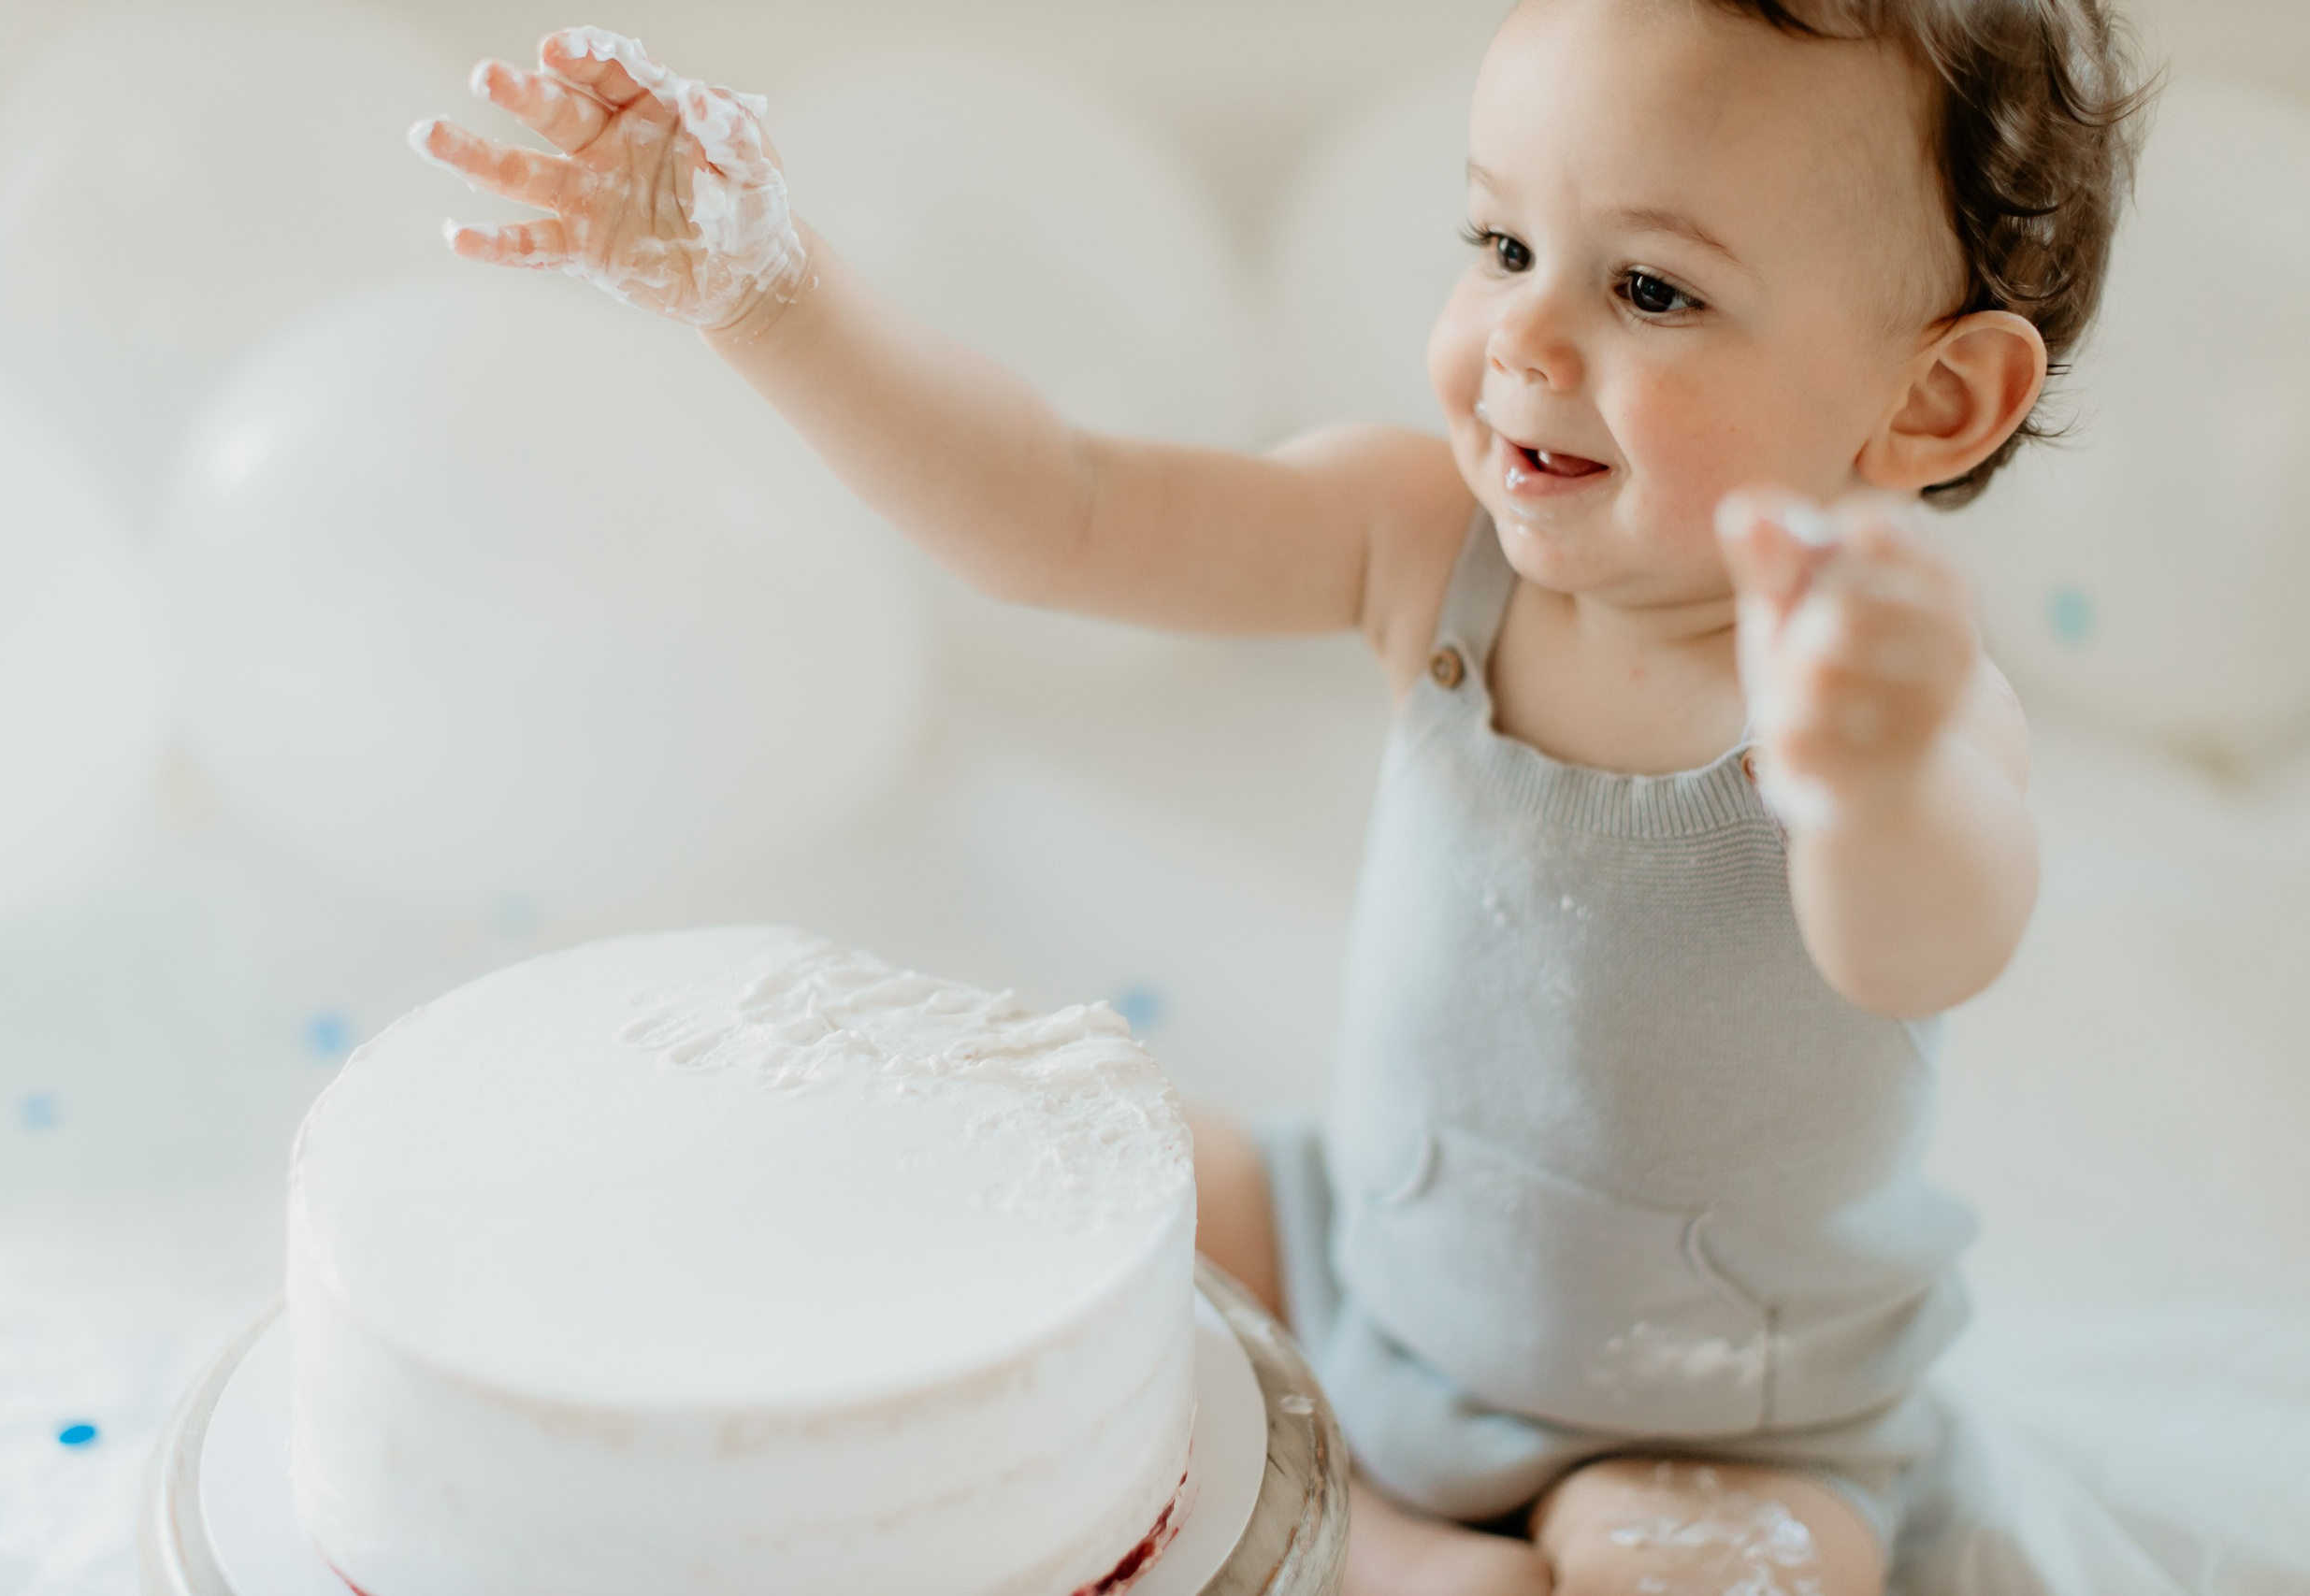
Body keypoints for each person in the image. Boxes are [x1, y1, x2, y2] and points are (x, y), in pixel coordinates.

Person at [411, 5, 2147, 1589]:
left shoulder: (1881, 701)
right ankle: (1380, 1522)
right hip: (1361, 1252)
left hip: (1710, 1421)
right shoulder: (1428, 544)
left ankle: (1408, 1536)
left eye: (1654, 292)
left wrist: (1870, 776)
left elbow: (1927, 945)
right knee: (1047, 1184)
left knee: (1709, 1576)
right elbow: (1060, 509)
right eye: (1502, 242)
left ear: (1932, 400)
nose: (1521, 336)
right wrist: (771, 295)